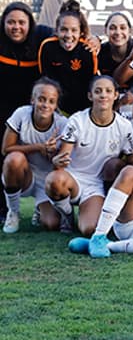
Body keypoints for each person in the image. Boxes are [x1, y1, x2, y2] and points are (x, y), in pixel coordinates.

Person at [43, 75, 133, 235]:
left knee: (89, 229)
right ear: (90, 95)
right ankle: (66, 214)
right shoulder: (77, 120)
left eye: (108, 91)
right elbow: (63, 158)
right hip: (73, 180)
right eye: (98, 91)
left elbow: (132, 160)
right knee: (55, 180)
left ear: (116, 95)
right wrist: (57, 159)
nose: (103, 95)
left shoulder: (124, 126)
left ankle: (89, 211)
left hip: (96, 186)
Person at [1, 78, 67, 233]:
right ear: (33, 100)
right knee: (13, 159)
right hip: (25, 175)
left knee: (52, 224)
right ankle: (14, 211)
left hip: (47, 180)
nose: (45, 105)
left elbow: (65, 162)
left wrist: (52, 153)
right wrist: (38, 147)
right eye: (41, 99)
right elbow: (6, 149)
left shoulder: (63, 123)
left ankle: (40, 210)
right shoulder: (21, 114)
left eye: (51, 101)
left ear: (56, 105)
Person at [37, 0, 99, 116]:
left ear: (81, 32)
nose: (69, 35)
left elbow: (91, 84)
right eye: (64, 30)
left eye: (74, 30)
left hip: (83, 111)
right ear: (57, 30)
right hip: (56, 109)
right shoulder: (48, 47)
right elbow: (46, 80)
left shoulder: (87, 49)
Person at [0, 2, 54, 133]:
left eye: (21, 22)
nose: (16, 27)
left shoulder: (42, 34)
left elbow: (69, 35)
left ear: (30, 24)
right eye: (11, 22)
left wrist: (94, 39)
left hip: (33, 105)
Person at [97, 12, 133, 80]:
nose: (118, 32)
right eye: (112, 28)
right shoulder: (99, 52)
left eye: (123, 28)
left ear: (130, 31)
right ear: (105, 31)